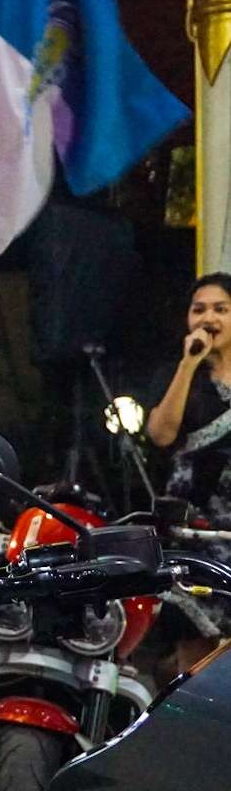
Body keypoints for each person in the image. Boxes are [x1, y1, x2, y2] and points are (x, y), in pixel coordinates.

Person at [146, 271, 231, 673]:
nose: (207, 318)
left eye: (221, 309)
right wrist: (188, 364)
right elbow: (161, 434)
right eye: (199, 309)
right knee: (194, 650)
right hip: (193, 531)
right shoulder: (180, 374)